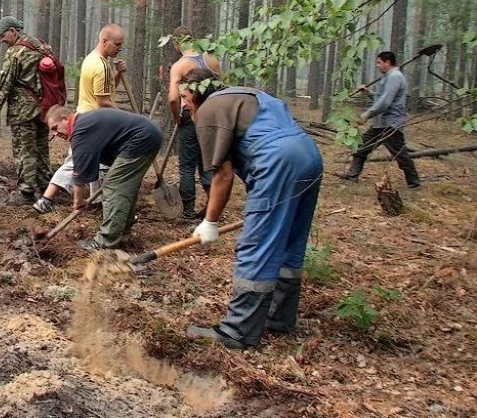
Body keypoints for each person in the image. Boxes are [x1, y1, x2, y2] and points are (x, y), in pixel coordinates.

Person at [179, 67, 323, 350]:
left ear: (197, 93)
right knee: (290, 242)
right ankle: (279, 318)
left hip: (277, 163)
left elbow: (222, 174)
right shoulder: (243, 94)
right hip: (309, 155)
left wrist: (210, 221)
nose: (183, 104)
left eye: (185, 96)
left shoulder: (209, 111)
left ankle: (238, 332)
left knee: (258, 245)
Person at [33, 24, 127, 214]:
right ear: (104, 41)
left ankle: (94, 202)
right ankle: (49, 199)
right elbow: (103, 101)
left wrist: (118, 74)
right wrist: (126, 119)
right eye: (117, 44)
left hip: (87, 117)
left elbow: (104, 90)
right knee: (80, 162)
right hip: (94, 121)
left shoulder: (93, 60)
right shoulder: (101, 67)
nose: (120, 48)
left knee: (87, 161)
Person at [46, 105, 163, 250]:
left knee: (114, 186)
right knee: (124, 187)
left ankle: (105, 242)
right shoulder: (84, 124)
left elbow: (80, 175)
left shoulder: (80, 131)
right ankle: (123, 233)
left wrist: (78, 201)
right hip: (147, 136)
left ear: (65, 119)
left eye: (56, 128)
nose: (56, 134)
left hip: (141, 139)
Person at [0, 16, 53, 205]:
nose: (1, 39)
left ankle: (26, 193)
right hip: (44, 108)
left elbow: (5, 84)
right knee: (41, 149)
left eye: (3, 35)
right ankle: (46, 189)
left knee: (24, 149)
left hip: (23, 111)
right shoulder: (42, 46)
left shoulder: (17, 52)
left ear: (13, 31)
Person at [336, 51, 420, 189]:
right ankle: (352, 175)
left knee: (400, 154)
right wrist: (368, 92)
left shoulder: (395, 77)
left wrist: (366, 114)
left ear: (388, 62)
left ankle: (414, 183)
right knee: (361, 146)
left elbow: (385, 102)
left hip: (390, 124)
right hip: (380, 124)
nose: (377, 66)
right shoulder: (388, 77)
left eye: (379, 62)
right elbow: (381, 97)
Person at [167, 26, 222, 220]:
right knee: (207, 163)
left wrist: (178, 118)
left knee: (187, 166)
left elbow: (173, 98)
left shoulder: (180, 66)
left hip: (190, 116)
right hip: (213, 117)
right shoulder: (212, 59)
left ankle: (188, 210)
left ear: (176, 43)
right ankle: (213, 207)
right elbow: (221, 87)